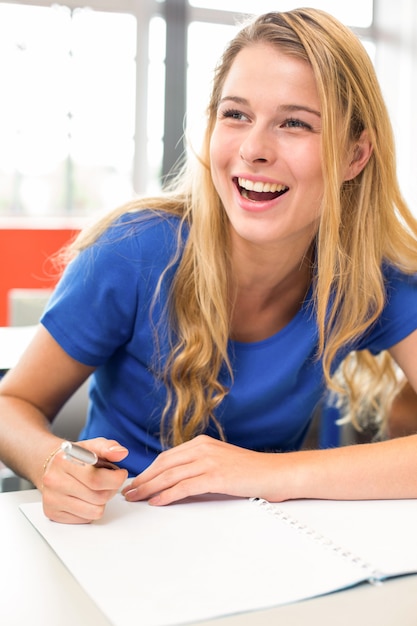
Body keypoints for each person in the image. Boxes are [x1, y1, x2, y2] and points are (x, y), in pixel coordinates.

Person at [1, 7, 417, 525]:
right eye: (236, 114)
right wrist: (49, 463)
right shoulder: (132, 251)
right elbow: (11, 402)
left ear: (355, 156)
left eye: (294, 123)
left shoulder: (371, 273)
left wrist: (265, 474)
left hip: (268, 537)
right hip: (120, 529)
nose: (253, 149)